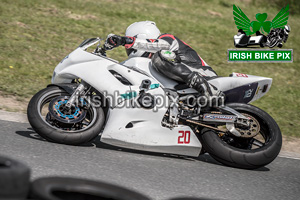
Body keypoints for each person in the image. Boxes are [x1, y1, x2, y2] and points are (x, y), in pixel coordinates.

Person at [105, 21, 223, 105]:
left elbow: (160, 45)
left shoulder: (167, 39)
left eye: (129, 47)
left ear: (143, 37)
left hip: (205, 76)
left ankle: (206, 89)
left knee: (160, 56)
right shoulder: (149, 63)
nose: (129, 49)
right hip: (182, 89)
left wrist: (128, 40)